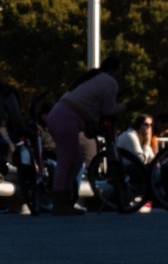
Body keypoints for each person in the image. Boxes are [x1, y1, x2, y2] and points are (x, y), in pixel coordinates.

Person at [45, 57, 124, 213]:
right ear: (113, 70)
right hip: (66, 118)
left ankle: (65, 198)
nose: (121, 76)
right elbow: (108, 110)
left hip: (60, 114)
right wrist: (127, 106)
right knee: (67, 160)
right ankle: (60, 201)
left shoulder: (95, 77)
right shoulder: (109, 81)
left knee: (75, 160)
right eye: (120, 71)